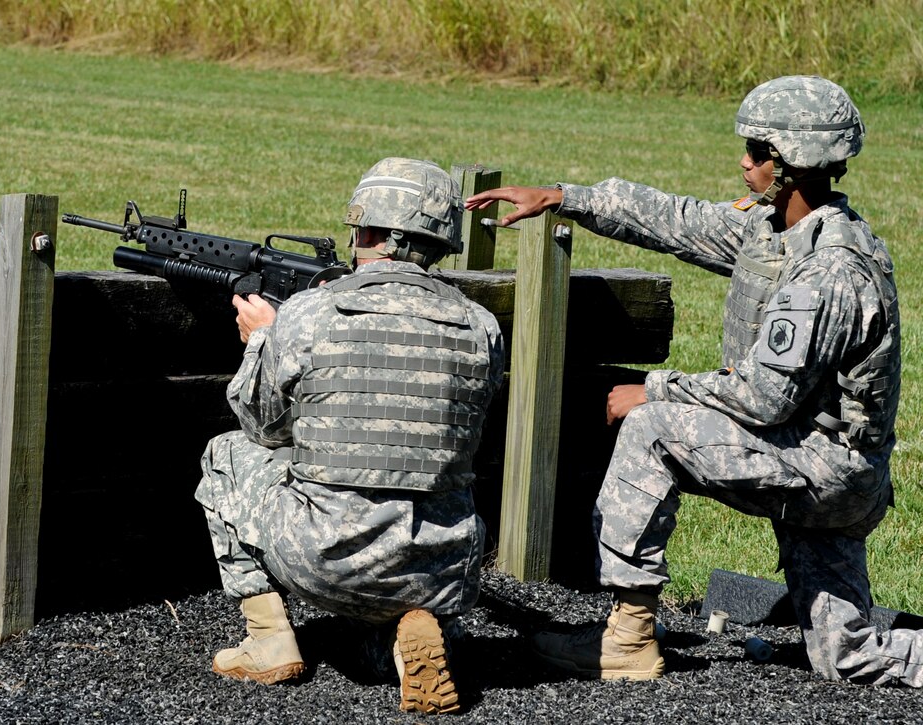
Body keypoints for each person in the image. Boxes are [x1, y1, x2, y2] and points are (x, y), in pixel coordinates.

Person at [466, 75, 922, 687]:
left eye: (758, 153)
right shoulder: (776, 229)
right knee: (849, 659)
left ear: (792, 165)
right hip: (817, 460)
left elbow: (762, 398)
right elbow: (674, 219)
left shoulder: (831, 271)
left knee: (653, 429)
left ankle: (627, 638)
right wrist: (562, 196)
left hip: (826, 471)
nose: (745, 162)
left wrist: (653, 389)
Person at [196, 157, 506, 713]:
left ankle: (269, 640)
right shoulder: (480, 326)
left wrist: (261, 343)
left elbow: (261, 425)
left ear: (367, 230)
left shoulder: (310, 314)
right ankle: (401, 637)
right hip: (442, 567)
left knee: (226, 454)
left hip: (323, 559)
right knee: (372, 648)